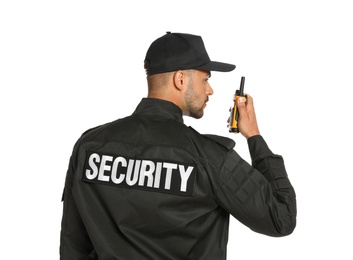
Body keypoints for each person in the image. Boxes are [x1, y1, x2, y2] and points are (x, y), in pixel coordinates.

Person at [60, 32, 297, 260]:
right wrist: (254, 136)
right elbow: (281, 217)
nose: (210, 90)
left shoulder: (89, 146)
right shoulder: (209, 157)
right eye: (205, 79)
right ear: (180, 79)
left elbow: (73, 245)